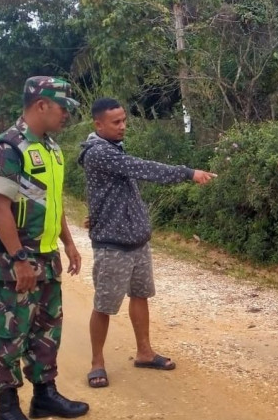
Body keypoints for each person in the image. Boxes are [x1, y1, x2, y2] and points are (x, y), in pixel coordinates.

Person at [78, 98, 216, 388]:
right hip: (112, 244)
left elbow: (107, 193)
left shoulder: (114, 147)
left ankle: (145, 352)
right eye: (116, 122)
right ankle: (96, 363)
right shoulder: (99, 152)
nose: (122, 126)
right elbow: (142, 168)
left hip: (137, 240)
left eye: (124, 120)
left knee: (140, 295)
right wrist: (187, 173)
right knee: (104, 305)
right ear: (98, 124)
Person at [0, 76, 89, 420]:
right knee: (9, 332)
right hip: (14, 260)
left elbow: (51, 201)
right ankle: (6, 407)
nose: (66, 115)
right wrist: (18, 259)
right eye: (62, 108)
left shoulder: (51, 148)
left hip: (46, 256)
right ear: (41, 105)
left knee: (46, 328)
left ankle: (44, 394)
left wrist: (69, 243)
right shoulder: (7, 147)